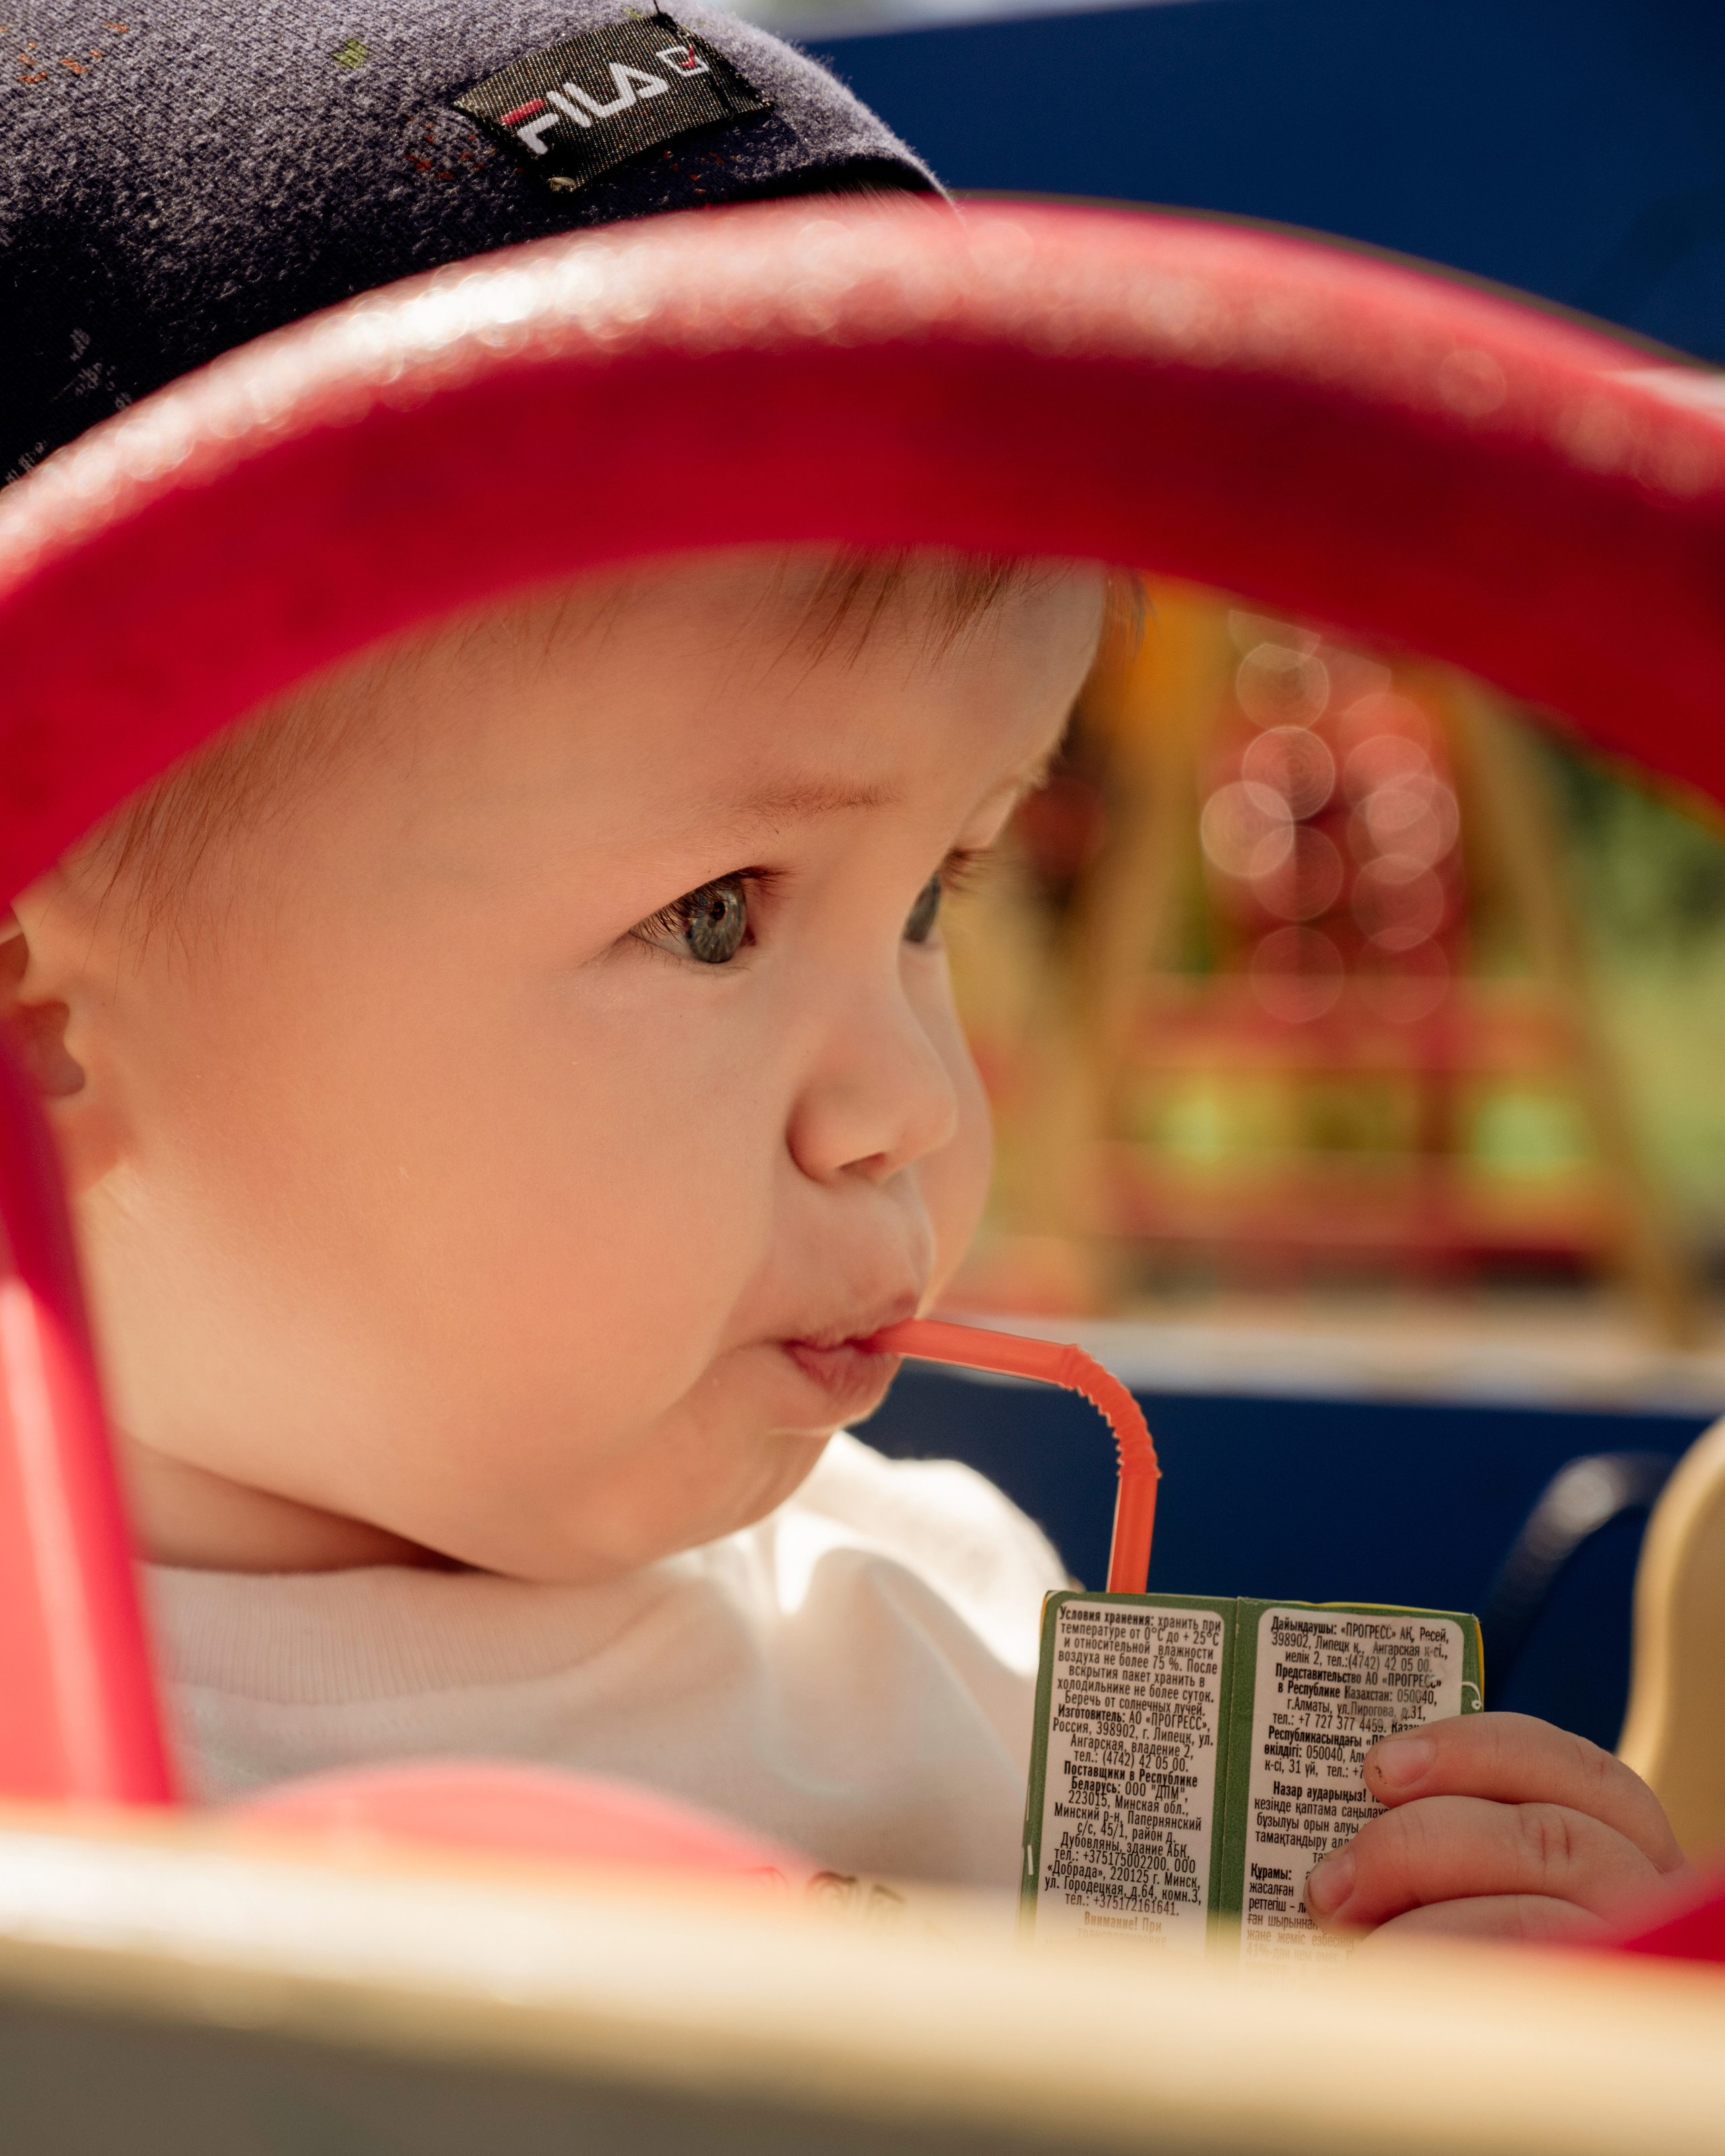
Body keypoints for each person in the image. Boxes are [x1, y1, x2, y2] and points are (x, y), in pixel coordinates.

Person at [1, 0, 1695, 1938]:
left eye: (935, 894)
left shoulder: (963, 1649)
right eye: (714, 913)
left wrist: (1457, 2034)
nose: (913, 1107)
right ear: (35, 1010)